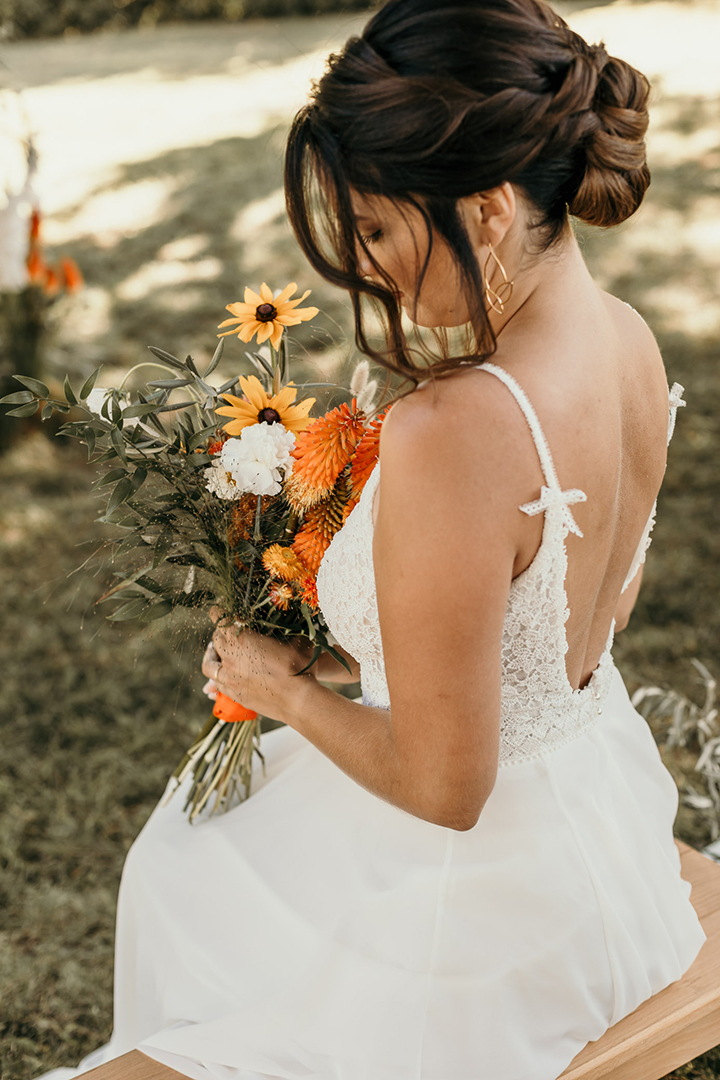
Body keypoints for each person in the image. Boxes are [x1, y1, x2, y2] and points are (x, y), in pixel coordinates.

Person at [43, 1, 706, 1078]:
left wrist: (284, 688)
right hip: (601, 831)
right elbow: (568, 625)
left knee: (188, 863)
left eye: (380, 229)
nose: (367, 267)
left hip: (478, 916)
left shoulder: (454, 430)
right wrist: (366, 658)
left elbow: (450, 793)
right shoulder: (628, 340)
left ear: (488, 209)